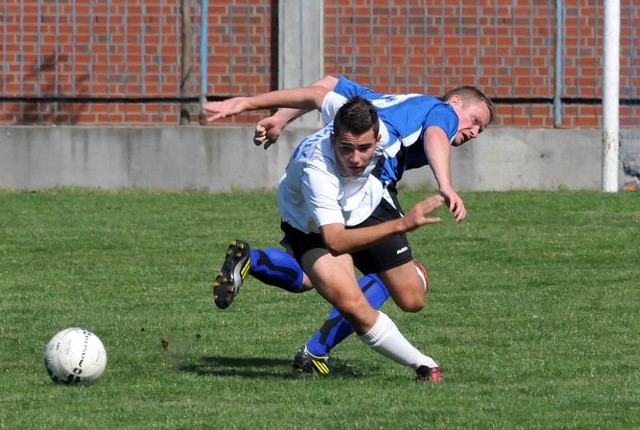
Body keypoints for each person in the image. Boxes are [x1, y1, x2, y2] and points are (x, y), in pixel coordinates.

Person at [204, 76, 494, 379]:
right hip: (329, 209)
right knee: (355, 303)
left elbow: (322, 89)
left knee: (329, 283)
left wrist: (260, 108)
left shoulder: (364, 112)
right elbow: (336, 240)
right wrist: (439, 191)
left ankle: (256, 260)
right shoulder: (442, 112)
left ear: (377, 138)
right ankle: (421, 363)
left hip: (327, 205)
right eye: (474, 121)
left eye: (480, 130)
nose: (474, 132)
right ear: (456, 103)